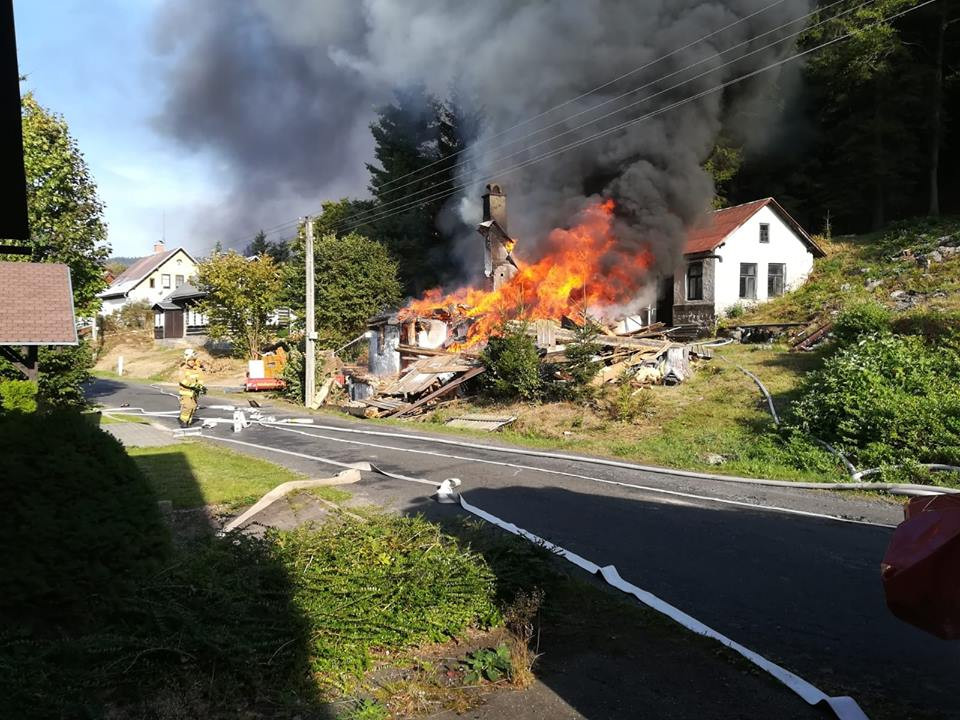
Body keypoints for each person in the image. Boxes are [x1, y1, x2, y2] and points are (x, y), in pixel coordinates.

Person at [177, 349, 205, 427]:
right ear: (186, 360)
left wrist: (200, 387)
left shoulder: (198, 369)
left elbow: (201, 379)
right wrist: (194, 385)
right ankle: (183, 421)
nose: (192, 362)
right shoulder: (183, 369)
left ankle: (188, 421)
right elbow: (182, 381)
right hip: (185, 392)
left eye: (193, 360)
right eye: (190, 360)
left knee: (194, 407)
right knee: (188, 406)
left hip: (194, 393)